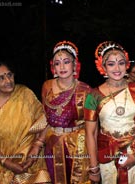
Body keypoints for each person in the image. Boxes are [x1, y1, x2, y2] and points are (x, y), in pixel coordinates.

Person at [84, 41, 135, 184]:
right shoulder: (94, 95)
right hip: (107, 157)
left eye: (121, 63)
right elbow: (90, 133)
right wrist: (94, 168)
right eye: (111, 64)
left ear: (126, 65)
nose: (117, 68)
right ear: (103, 67)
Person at [0, 61, 51, 184]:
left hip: (32, 162)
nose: (8, 80)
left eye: (10, 75)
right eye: (1, 78)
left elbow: (45, 119)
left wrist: (37, 146)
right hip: (1, 167)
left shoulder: (25, 93)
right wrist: (6, 162)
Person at [41, 40, 92, 184]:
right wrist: (38, 143)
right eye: (57, 63)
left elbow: (91, 127)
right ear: (53, 67)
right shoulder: (47, 86)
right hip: (52, 143)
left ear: (75, 65)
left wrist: (94, 163)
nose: (62, 66)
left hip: (78, 145)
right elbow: (43, 117)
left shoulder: (86, 90)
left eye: (66, 62)